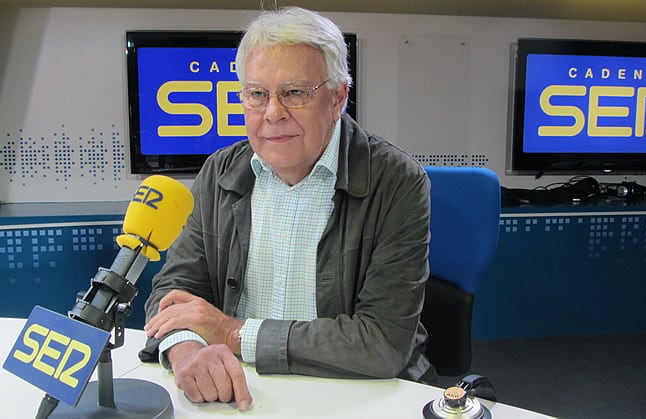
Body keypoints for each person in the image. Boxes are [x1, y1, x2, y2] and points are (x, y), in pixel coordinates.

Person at [141, 6, 433, 411]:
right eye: (257, 94)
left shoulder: (397, 180)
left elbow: (381, 344)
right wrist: (188, 351)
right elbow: (173, 296)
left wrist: (232, 334)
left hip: (357, 394)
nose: (273, 113)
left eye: (294, 93)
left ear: (337, 97)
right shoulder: (220, 172)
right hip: (242, 393)